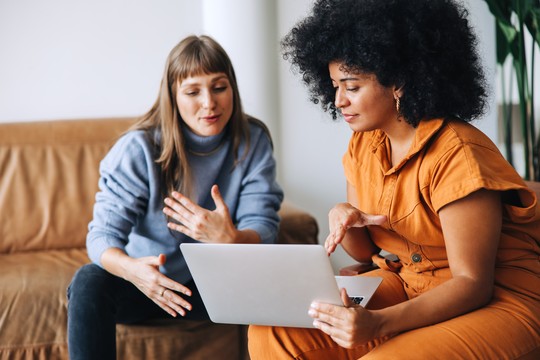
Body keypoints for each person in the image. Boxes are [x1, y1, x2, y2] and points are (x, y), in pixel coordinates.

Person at [248, 0, 540, 358]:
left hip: (498, 299)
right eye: (335, 86)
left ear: (398, 81)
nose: (338, 100)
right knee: (275, 330)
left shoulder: (458, 154)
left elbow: (472, 284)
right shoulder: (363, 144)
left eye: (351, 87)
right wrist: (345, 217)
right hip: (406, 282)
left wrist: (380, 323)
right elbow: (367, 252)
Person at [67, 35, 283, 359]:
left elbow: (263, 224)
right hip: (146, 284)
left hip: (217, 285)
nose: (209, 103)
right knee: (88, 281)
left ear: (233, 89)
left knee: (289, 278)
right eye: (193, 91)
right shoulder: (138, 149)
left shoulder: (253, 139)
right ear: (173, 96)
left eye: (219, 87)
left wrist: (232, 239)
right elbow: (102, 237)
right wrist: (133, 271)